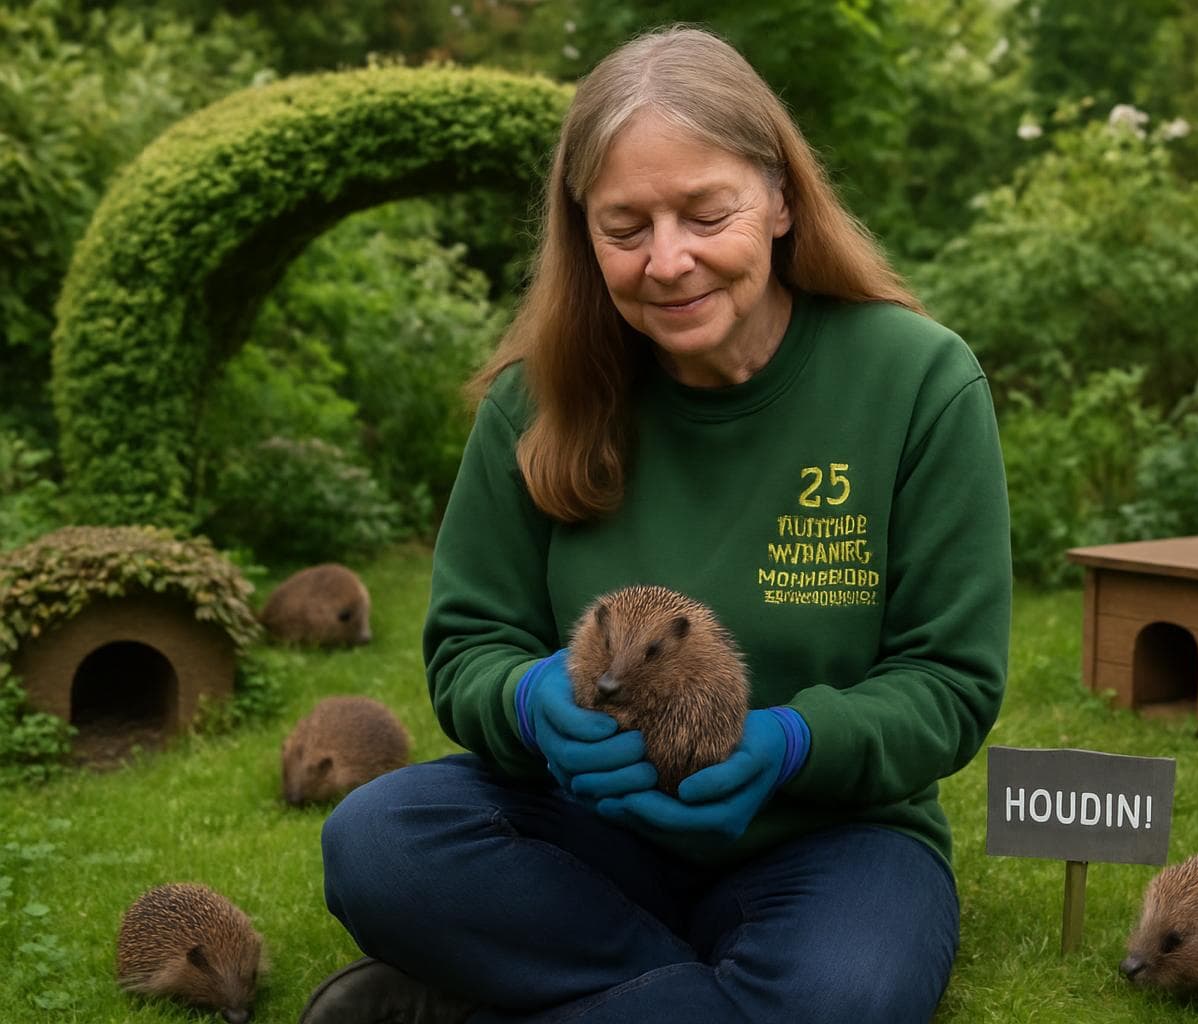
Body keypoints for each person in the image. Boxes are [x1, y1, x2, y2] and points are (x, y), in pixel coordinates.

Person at [300, 24, 1011, 1024]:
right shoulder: (534, 399)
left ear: (778, 196)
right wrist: (529, 699)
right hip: (584, 823)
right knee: (378, 841)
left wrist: (799, 743)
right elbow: (469, 646)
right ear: (582, 232)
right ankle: (703, 986)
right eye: (625, 228)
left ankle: (496, 996)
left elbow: (951, 682)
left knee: (846, 994)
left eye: (704, 212)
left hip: (829, 835)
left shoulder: (918, 381)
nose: (668, 261)